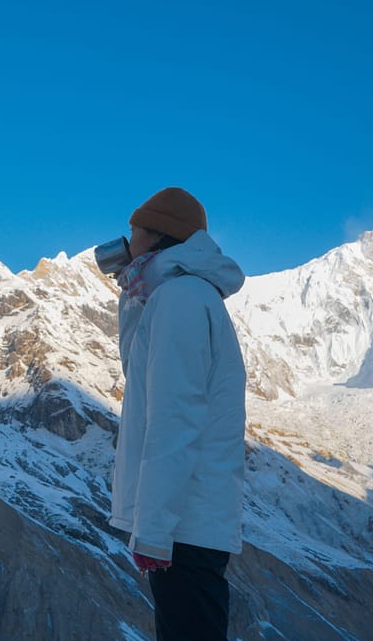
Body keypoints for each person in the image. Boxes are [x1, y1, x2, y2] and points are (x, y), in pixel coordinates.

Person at [109, 187, 247, 641]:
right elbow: (141, 374)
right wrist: (133, 296)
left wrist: (152, 532)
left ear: (157, 238)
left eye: (133, 234)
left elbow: (174, 418)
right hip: (187, 523)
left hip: (182, 527)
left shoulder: (181, 299)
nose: (126, 244)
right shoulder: (178, 296)